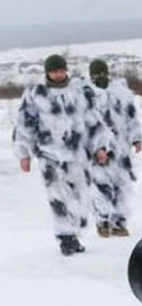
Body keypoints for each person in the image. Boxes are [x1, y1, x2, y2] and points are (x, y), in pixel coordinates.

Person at [13, 54, 110, 255]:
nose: (58, 74)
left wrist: (100, 147)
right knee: (57, 199)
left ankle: (74, 231)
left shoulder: (79, 92)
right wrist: (24, 154)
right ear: (48, 72)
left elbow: (93, 120)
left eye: (61, 70)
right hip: (49, 155)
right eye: (54, 71)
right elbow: (24, 124)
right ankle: (66, 238)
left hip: (77, 155)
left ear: (66, 70)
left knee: (80, 198)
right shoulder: (36, 93)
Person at [84, 58, 142, 237]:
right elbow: (86, 123)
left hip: (121, 148)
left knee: (122, 185)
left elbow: (132, 117)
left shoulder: (121, 94)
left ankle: (119, 222)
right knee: (101, 184)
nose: (100, 76)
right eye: (96, 74)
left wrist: (136, 138)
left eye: (103, 73)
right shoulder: (86, 95)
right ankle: (103, 220)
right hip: (98, 150)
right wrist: (97, 146)